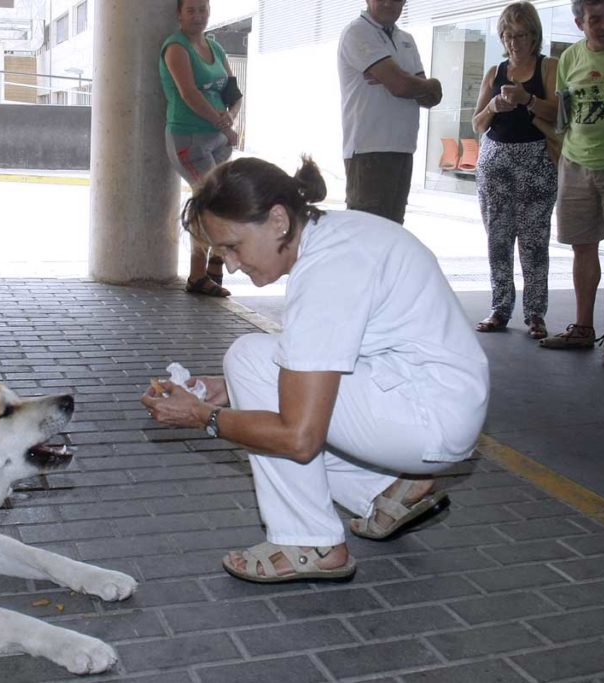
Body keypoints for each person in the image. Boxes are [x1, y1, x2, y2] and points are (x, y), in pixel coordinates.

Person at [141, 157, 489, 583]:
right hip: (434, 398)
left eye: (233, 246)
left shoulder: (329, 270)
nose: (230, 265)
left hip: (428, 417)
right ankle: (383, 490)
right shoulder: (335, 238)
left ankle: (310, 542)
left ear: (278, 220)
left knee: (251, 361)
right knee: (251, 368)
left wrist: (205, 418)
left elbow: (299, 439)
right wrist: (230, 390)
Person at [539, 0, 604, 369]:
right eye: (595, 19)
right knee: (582, 247)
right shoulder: (570, 59)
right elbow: (564, 113)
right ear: (579, 22)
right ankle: (583, 328)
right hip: (575, 163)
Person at [471, 2, 559, 340]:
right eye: (507, 35)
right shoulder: (494, 72)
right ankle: (500, 307)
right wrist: (494, 105)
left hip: (536, 162)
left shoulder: (548, 67)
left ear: (534, 36)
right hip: (495, 163)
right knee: (498, 239)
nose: (513, 43)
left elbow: (558, 115)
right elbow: (477, 123)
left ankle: (536, 314)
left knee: (535, 241)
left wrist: (526, 99)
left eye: (520, 35)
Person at [160, 0, 242, 297]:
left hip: (218, 140)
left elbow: (233, 91)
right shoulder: (175, 47)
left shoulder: (216, 48)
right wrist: (224, 124)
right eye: (191, 10)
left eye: (203, 9)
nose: (198, 15)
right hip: (189, 140)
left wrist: (230, 115)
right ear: (178, 14)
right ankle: (198, 276)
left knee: (220, 201)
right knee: (210, 203)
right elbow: (189, 94)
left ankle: (215, 262)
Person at [338, 0, 443, 225]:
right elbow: (401, 86)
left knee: (393, 235)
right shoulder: (357, 32)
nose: (388, 3)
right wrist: (411, 82)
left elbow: (431, 97)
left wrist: (409, 81)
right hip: (369, 152)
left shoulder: (407, 40)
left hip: (403, 150)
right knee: (367, 236)